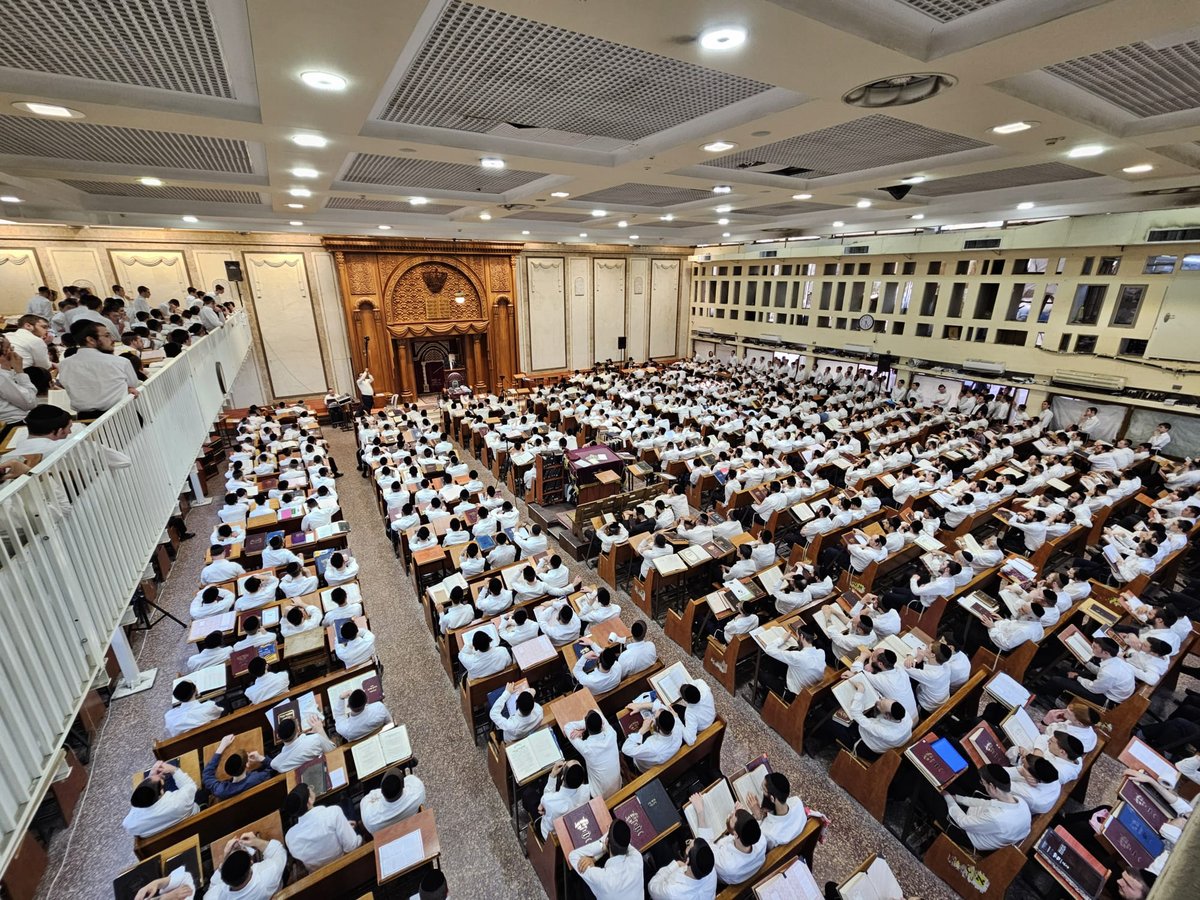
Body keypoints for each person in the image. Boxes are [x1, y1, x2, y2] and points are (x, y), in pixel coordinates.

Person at [56, 320, 139, 417]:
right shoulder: (120, 362)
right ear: (90, 340)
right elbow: (133, 384)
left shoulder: (64, 364)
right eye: (107, 336)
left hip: (85, 419)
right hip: (121, 416)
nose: (112, 340)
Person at [943, 763, 1031, 851]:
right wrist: (958, 799)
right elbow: (986, 803)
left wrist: (947, 797)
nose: (982, 785)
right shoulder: (1020, 801)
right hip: (980, 819)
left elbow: (963, 822)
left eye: (983, 783)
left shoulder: (997, 817)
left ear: (992, 786)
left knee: (934, 792)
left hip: (970, 836)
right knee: (953, 788)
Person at [283, 783, 362, 871]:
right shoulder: (333, 812)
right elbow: (352, 847)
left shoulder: (289, 837)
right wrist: (355, 834)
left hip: (319, 874)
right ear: (309, 801)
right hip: (346, 864)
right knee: (347, 804)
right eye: (310, 790)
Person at [692, 801, 766, 886]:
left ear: (735, 834)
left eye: (732, 818)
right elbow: (751, 826)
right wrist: (741, 817)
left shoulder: (728, 864)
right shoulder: (761, 841)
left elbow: (707, 845)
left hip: (720, 874)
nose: (731, 814)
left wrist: (700, 812)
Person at [567, 819, 645, 900]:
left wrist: (601, 846)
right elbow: (623, 842)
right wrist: (594, 858)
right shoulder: (637, 859)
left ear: (607, 841)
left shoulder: (601, 877)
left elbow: (573, 856)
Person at [122, 760, 199, 837]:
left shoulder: (130, 824)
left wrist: (151, 776)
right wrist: (174, 770)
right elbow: (191, 786)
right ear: (161, 792)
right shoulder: (178, 801)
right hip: (191, 822)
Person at [205, 833, 287, 899]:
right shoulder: (266, 874)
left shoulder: (215, 896)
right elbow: (279, 852)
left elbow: (213, 887)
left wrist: (225, 858)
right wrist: (257, 842)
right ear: (251, 863)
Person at [202, 734, 275, 801]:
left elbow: (207, 775)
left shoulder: (222, 791)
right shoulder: (256, 778)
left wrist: (221, 746)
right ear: (247, 765)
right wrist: (260, 758)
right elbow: (274, 767)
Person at [567, 710, 621, 798]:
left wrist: (583, 727)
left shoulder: (586, 747)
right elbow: (597, 712)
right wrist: (586, 726)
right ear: (602, 724)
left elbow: (567, 727)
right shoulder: (612, 734)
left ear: (587, 728)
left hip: (598, 796)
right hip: (618, 788)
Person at [535, 760, 592, 839]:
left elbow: (545, 799)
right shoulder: (587, 790)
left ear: (562, 777)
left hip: (552, 837)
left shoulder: (549, 801)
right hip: (574, 830)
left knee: (529, 797)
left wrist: (552, 775)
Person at [361, 767, 427, 834]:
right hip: (413, 829)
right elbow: (410, 778)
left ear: (381, 791)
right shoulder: (417, 791)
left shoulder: (370, 818)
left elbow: (365, 800)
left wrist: (378, 794)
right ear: (403, 786)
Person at [647, 837, 718, 900]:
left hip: (662, 887)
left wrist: (676, 864)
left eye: (689, 843)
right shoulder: (712, 872)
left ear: (687, 860)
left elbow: (652, 886)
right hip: (682, 870)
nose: (689, 842)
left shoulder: (672, 892)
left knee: (657, 844)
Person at [271, 714, 336, 772]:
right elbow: (333, 750)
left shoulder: (275, 764)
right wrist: (320, 730)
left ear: (278, 736)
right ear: (298, 730)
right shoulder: (315, 739)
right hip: (325, 769)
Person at [0, 334, 37, 428]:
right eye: (8, 348)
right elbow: (30, 403)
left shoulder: (4, 373)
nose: (12, 349)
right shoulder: (2, 376)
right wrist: (20, 371)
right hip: (13, 423)